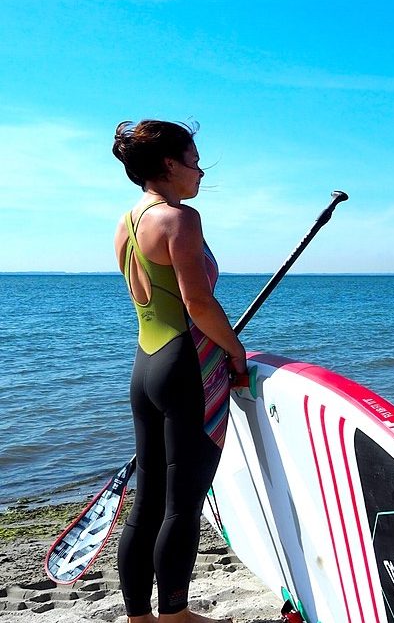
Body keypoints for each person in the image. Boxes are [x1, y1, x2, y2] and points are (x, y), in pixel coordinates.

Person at [112, 120, 246, 623]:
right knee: (183, 502)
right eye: (193, 159)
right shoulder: (180, 219)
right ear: (169, 164)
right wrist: (236, 351)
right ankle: (174, 614)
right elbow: (198, 303)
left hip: (145, 367)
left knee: (146, 502)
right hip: (185, 367)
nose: (199, 170)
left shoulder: (127, 222)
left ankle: (138, 616)